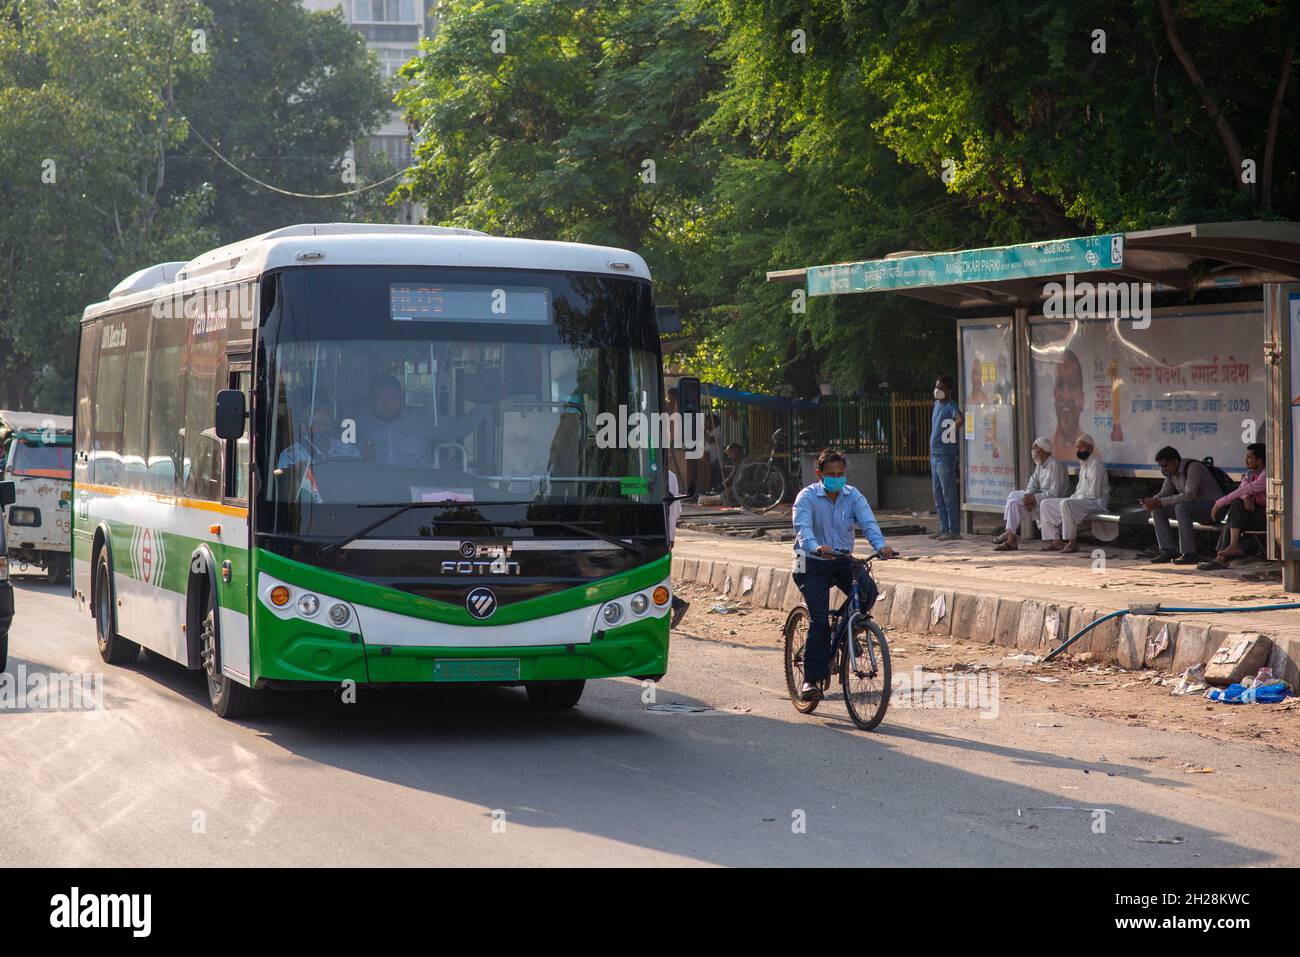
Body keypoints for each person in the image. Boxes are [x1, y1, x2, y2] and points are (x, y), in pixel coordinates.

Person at [792, 449, 896, 702]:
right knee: (819, 621)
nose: (836, 479)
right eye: (831, 474)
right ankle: (811, 680)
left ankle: (848, 631)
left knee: (868, 591)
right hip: (811, 562)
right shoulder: (806, 497)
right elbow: (803, 529)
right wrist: (816, 546)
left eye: (840, 474)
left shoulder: (853, 496)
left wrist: (880, 546)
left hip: (841, 560)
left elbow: (869, 523)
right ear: (819, 474)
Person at [357, 373, 495, 467]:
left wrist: (487, 404)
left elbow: (458, 428)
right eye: (379, 399)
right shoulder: (361, 425)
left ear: (401, 396)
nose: (387, 404)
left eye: (393, 397)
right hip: (376, 494)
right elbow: (344, 453)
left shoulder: (421, 419)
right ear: (371, 400)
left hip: (414, 496)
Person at [1143, 445, 1219, 565]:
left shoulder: (1193, 468)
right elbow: (1165, 492)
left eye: (1165, 465)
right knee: (1157, 509)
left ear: (1175, 462)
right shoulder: (1171, 473)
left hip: (1213, 508)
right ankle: (1168, 550)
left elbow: (1189, 496)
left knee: (1181, 507)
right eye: (1161, 467)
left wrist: (1161, 501)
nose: (1163, 470)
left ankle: (1189, 553)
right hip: (1193, 508)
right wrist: (1153, 501)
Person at [1200, 443, 1267, 571]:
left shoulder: (1266, 475)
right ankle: (1232, 545)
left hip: (1267, 516)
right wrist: (1246, 497)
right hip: (1252, 513)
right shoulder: (1249, 474)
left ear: (1259, 460)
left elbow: (1248, 488)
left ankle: (1221, 557)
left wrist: (1219, 503)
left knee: (1232, 516)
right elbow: (1243, 491)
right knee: (1237, 504)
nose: (1246, 461)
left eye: (1250, 458)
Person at [994, 437, 1068, 551]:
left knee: (1016, 501)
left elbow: (1055, 493)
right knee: (1013, 499)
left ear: (1043, 450)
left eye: (1035, 449)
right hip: (1038, 501)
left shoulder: (1055, 465)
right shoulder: (1040, 465)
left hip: (1051, 503)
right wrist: (1027, 497)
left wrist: (1033, 498)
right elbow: (1032, 484)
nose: (1033, 452)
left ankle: (1055, 541)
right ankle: (1011, 538)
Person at [1038, 434, 1109, 553]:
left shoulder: (1095, 464)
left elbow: (1094, 494)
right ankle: (1055, 541)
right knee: (1046, 504)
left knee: (1066, 504)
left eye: (1081, 448)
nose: (1078, 450)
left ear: (1090, 449)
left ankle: (1072, 542)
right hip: (1082, 500)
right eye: (1076, 448)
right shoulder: (1084, 464)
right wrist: (1075, 498)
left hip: (1095, 502)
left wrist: (1075, 499)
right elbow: (1079, 491)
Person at [277, 402, 361, 470]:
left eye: (327, 424)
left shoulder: (350, 452)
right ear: (304, 427)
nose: (323, 428)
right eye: (317, 424)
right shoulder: (292, 456)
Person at [930, 375, 963, 541]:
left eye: (941, 387)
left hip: (945, 455)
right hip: (934, 455)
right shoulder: (936, 404)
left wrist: (951, 429)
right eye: (937, 386)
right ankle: (943, 528)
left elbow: (960, 419)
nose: (938, 390)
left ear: (949, 391)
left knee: (948, 494)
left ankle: (954, 530)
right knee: (937, 494)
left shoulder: (951, 405)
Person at [665, 469, 690, 628]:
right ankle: (676, 603)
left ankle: (676, 603)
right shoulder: (671, 476)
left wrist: (670, 537)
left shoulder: (668, 476)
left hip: (657, 534)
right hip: (664, 535)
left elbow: (673, 509)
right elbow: (676, 510)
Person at [1050, 349, 1085, 463]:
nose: (1066, 396)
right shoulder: (1047, 452)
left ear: (1082, 399)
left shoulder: (1093, 453)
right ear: (1055, 394)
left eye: (1072, 385)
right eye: (1060, 385)